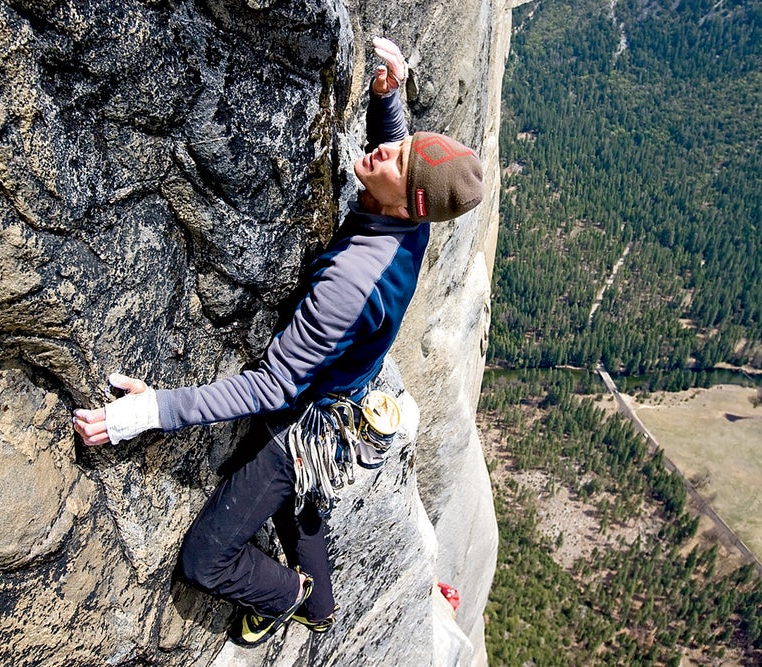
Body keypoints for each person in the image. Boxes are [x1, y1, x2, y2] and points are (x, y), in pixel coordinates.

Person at [73, 37, 483, 646]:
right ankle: (321, 611)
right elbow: (406, 163)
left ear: (409, 208)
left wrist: (149, 411)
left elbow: (271, 387)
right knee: (301, 506)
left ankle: (294, 597)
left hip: (297, 426)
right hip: (343, 399)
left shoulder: (353, 281)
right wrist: (389, 98)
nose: (384, 152)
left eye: (395, 161)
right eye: (398, 145)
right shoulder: (408, 220)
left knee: (206, 559)